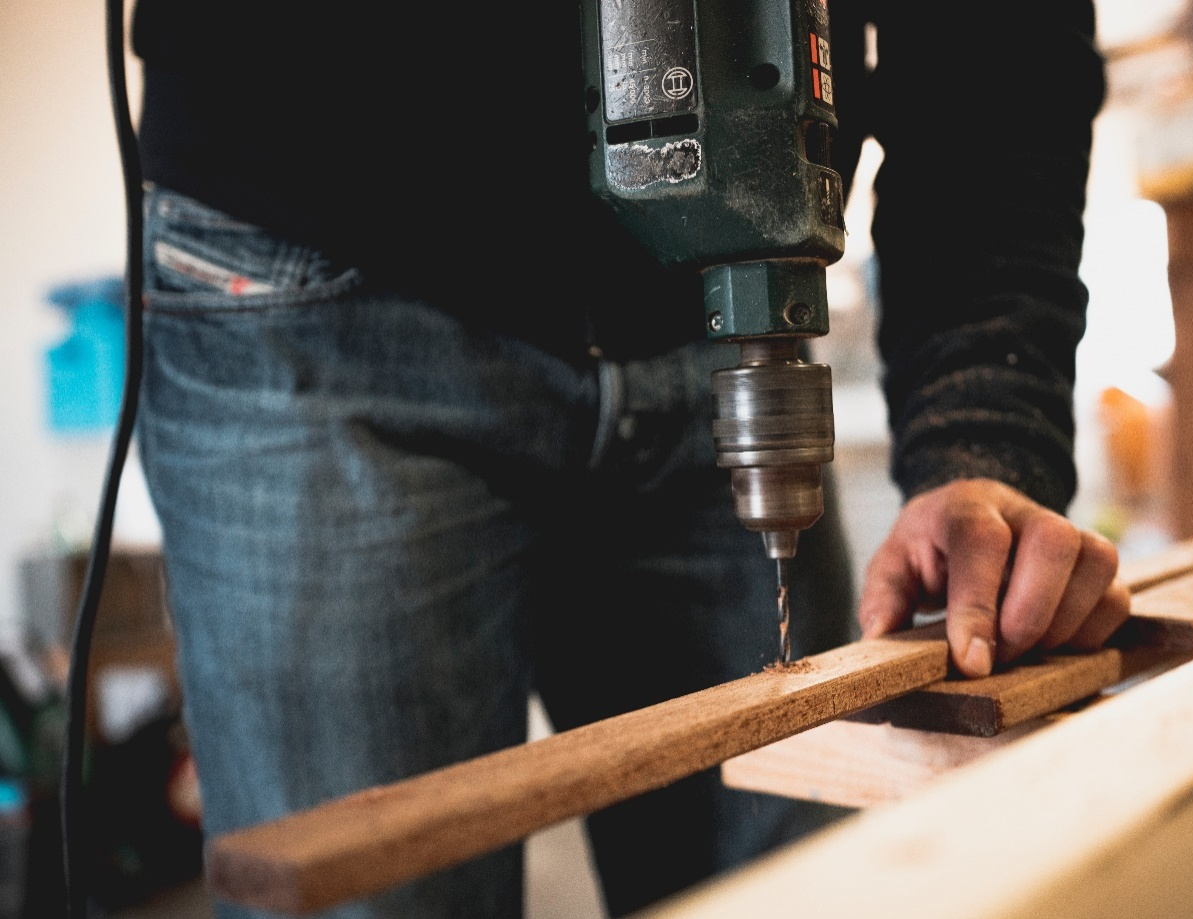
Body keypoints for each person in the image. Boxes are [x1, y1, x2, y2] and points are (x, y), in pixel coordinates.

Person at [128, 1, 1129, 916]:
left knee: (802, 887)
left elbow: (1001, 42)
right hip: (311, 267)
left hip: (701, 307)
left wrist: (981, 431)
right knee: (369, 886)